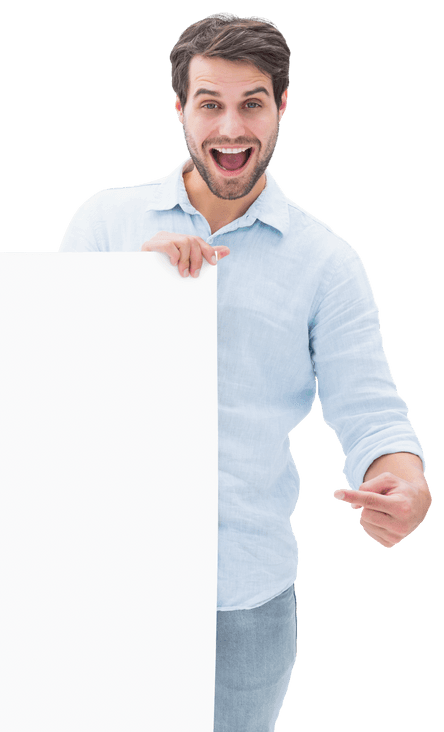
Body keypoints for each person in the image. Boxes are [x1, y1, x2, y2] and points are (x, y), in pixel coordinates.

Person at [59, 13, 431, 732]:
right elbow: (43, 379)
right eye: (210, 104)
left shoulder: (326, 262)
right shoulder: (107, 224)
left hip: (244, 602)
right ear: (179, 108)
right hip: (103, 579)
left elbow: (371, 413)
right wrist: (127, 294)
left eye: (252, 103)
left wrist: (404, 481)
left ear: (282, 105)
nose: (230, 129)